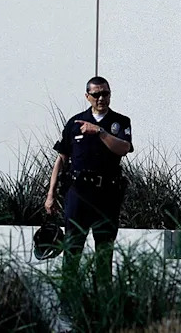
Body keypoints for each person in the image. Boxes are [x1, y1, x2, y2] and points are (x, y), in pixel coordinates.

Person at [45, 76, 132, 280]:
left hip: (107, 193)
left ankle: (101, 302)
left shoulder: (120, 122)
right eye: (96, 94)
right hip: (79, 192)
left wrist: (100, 132)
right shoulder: (75, 123)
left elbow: (124, 148)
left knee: (104, 251)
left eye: (105, 93)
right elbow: (61, 159)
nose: (101, 98)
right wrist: (50, 194)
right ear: (87, 96)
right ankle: (69, 303)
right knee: (73, 248)